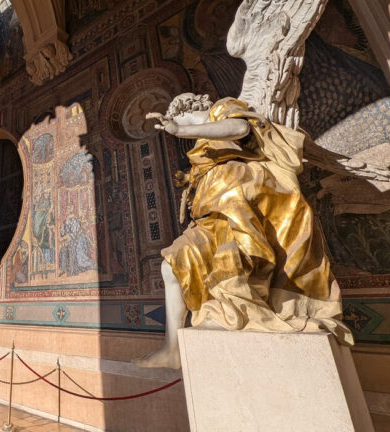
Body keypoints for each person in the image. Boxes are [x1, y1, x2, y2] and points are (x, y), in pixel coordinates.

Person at [135, 94, 353, 369]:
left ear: (185, 110)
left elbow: (240, 129)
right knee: (172, 265)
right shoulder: (202, 147)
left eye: (174, 118)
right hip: (213, 213)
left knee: (236, 262)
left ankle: (244, 313)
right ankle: (172, 349)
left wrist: (182, 129)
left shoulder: (221, 109)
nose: (173, 128)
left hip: (240, 203)